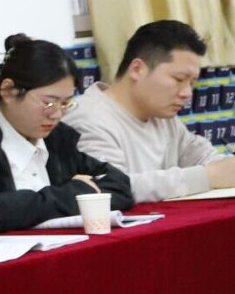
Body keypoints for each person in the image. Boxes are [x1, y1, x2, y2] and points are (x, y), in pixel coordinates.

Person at [0, 34, 134, 230]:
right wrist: (74, 194)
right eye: (49, 102)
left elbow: (119, 184)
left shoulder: (57, 138)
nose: (57, 114)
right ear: (9, 91)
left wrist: (58, 199)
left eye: (66, 103)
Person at [62, 19, 235, 202]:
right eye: (179, 79)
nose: (187, 93)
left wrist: (224, 169)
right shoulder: (87, 119)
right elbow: (111, 187)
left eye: (191, 83)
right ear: (137, 69)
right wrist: (207, 176)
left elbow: (206, 158)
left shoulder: (161, 115)